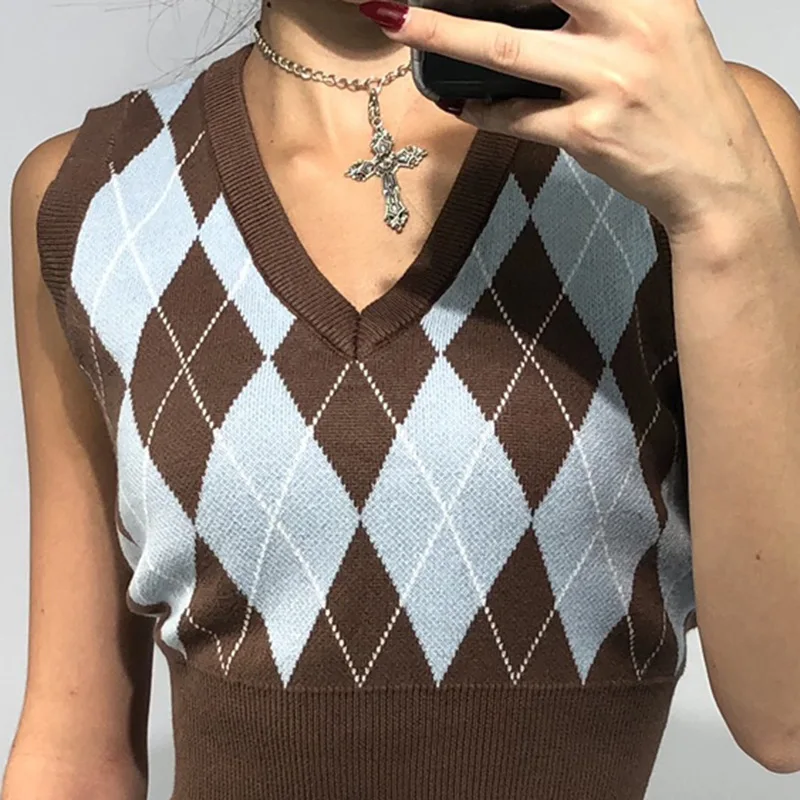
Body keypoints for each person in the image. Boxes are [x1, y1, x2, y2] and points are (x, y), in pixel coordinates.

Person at [5, 1, 800, 798]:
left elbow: (786, 718)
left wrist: (724, 217)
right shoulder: (94, 195)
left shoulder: (700, 133)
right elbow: (74, 756)